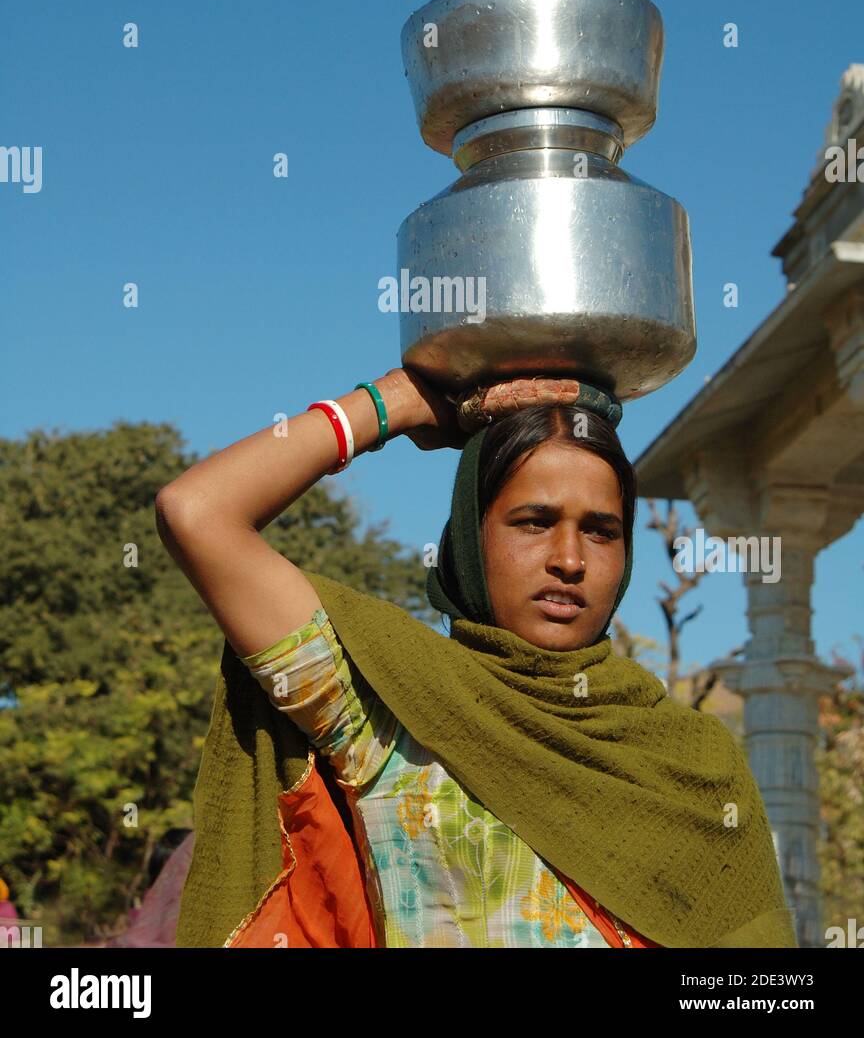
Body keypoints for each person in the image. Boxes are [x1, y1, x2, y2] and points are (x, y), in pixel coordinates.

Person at [157, 368, 797, 949]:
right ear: (469, 535)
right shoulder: (388, 706)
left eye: (600, 530)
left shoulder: (691, 763)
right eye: (533, 521)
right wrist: (395, 402)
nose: (570, 560)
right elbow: (198, 513)